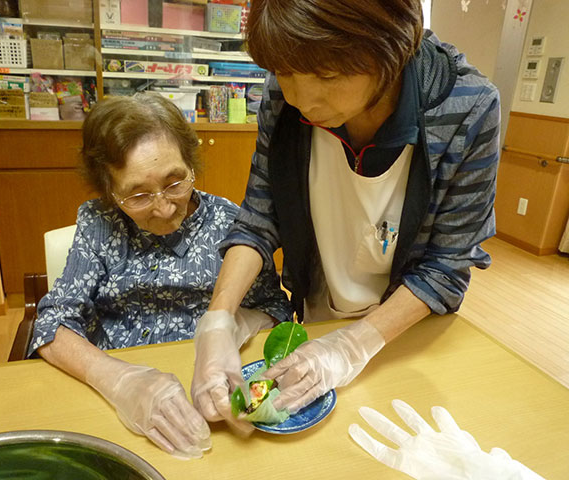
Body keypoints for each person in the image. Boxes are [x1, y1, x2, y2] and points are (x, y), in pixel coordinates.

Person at [191, 0, 500, 433]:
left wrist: (352, 347)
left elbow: (446, 268)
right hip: (320, 319)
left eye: (329, 76)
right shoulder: (286, 94)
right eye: (285, 73)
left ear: (392, 50)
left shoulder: (468, 107)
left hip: (406, 337)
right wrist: (218, 320)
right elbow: (261, 216)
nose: (301, 98)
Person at [29, 93, 292, 458]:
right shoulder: (99, 222)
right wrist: (117, 381)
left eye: (175, 182)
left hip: (210, 399)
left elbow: (276, 308)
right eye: (138, 195)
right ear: (109, 190)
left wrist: (233, 326)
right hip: (117, 404)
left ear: (190, 164)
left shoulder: (233, 225)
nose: (165, 207)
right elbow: (52, 324)